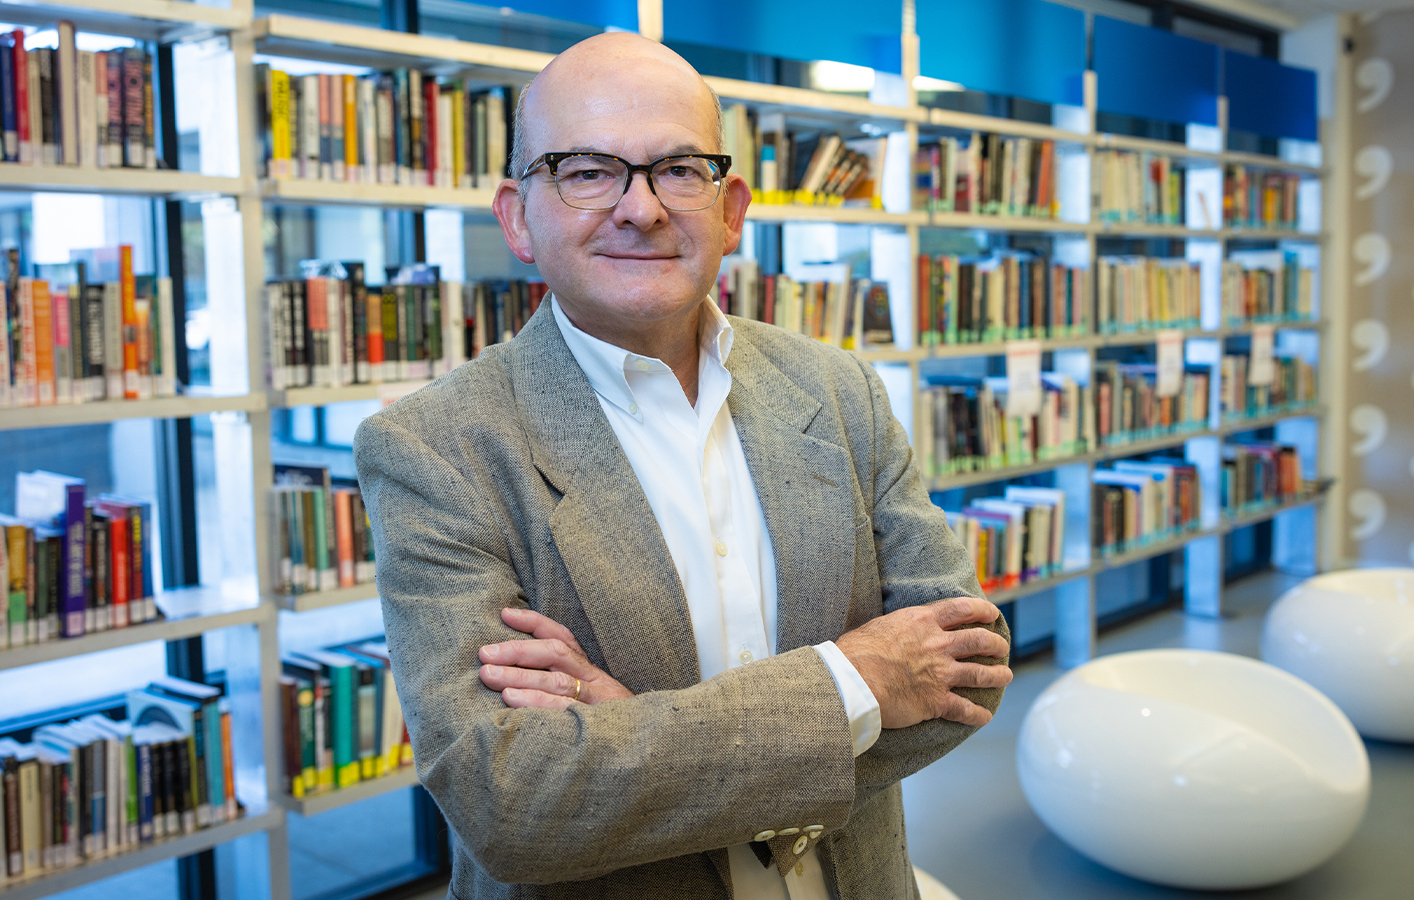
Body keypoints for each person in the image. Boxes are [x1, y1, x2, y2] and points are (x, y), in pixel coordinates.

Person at [352, 30, 1012, 900]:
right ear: (518, 215)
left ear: (731, 207)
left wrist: (632, 738)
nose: (641, 208)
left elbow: (966, 668)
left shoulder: (839, 389)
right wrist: (858, 682)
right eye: (587, 170)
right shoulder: (436, 447)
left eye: (678, 170)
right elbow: (511, 800)